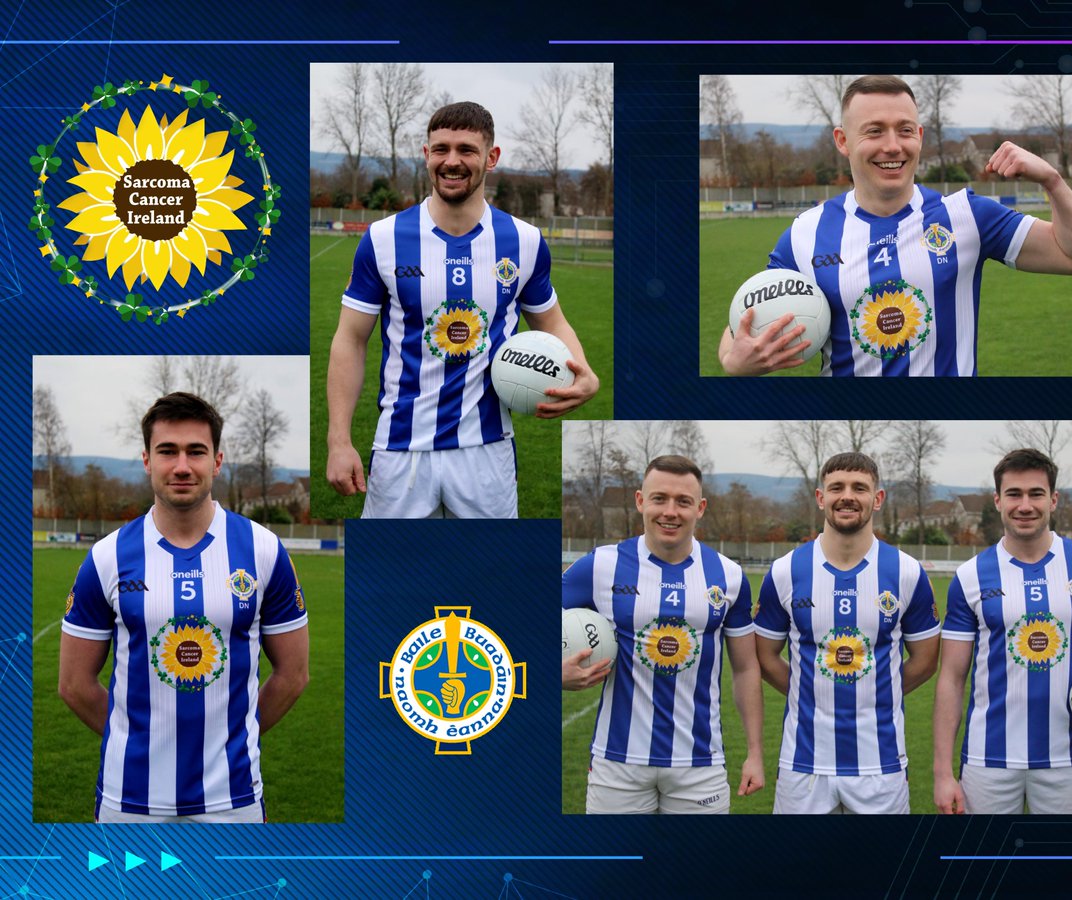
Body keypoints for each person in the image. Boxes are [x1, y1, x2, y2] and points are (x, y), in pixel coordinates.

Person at [719, 75, 1072, 377]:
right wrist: (731, 361)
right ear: (842, 140)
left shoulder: (967, 215)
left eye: (905, 130)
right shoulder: (805, 233)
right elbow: (748, 316)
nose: (893, 145)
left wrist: (1052, 181)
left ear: (920, 137)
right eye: (874, 131)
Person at [327, 100, 599, 518]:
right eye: (441, 149)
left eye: (466, 150)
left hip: (487, 450)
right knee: (393, 579)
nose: (451, 161)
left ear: (491, 158)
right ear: (426, 155)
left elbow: (552, 321)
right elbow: (350, 338)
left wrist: (586, 375)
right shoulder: (382, 239)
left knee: (490, 581)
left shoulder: (524, 242)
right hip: (401, 448)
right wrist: (339, 441)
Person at [58, 392, 310, 823]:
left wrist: (232, 735)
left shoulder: (264, 550)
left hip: (233, 801)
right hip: (129, 801)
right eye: (167, 451)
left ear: (217, 461)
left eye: (196, 451)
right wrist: (138, 738)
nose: (181, 466)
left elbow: (293, 675)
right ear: (146, 461)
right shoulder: (107, 557)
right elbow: (74, 684)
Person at [933, 448, 1072, 815]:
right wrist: (942, 772)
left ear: (1053, 499)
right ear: (997, 500)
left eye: (1036, 494)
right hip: (988, 759)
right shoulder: (969, 576)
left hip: (1069, 757)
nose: (1025, 505)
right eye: (1014, 494)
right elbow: (951, 678)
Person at [561, 455, 764, 814]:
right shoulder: (599, 566)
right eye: (659, 499)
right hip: (616, 763)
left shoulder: (729, 576)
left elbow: (746, 669)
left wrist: (754, 753)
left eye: (683, 502)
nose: (670, 511)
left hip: (701, 764)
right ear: (641, 500)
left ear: (700, 508)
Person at [755, 452, 940, 814]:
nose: (847, 496)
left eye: (860, 488)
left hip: (881, 764)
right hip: (803, 765)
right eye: (836, 487)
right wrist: (806, 690)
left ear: (878, 498)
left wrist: (872, 692)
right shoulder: (785, 572)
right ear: (820, 496)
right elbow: (763, 656)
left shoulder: (907, 572)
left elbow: (927, 660)